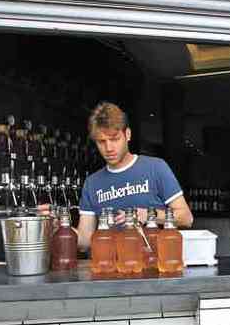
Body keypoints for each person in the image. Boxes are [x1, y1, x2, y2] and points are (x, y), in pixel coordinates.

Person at [43, 101, 193, 251]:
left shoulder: (155, 167)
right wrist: (60, 226)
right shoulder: (92, 183)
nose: (108, 148)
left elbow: (186, 218)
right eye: (102, 142)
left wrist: (149, 214)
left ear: (127, 134)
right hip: (109, 266)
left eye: (114, 139)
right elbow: (85, 241)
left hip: (153, 266)